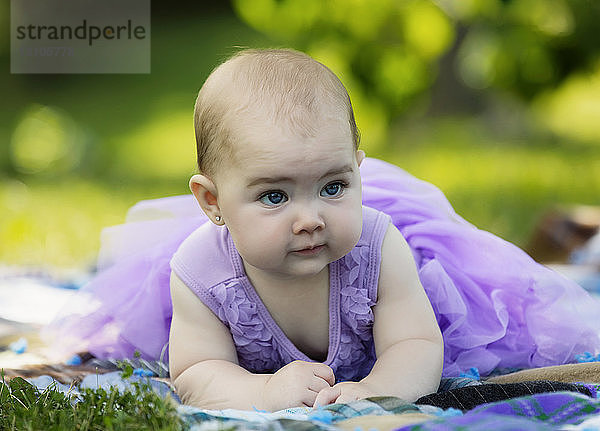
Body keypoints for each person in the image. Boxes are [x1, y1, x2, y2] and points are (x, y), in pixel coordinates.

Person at [44, 48, 600, 411]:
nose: (309, 217)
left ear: (358, 170)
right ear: (212, 201)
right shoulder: (200, 271)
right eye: (274, 196)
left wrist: (374, 392)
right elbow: (196, 373)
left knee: (481, 333)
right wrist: (263, 390)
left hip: (396, 341)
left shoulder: (378, 247)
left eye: (333, 187)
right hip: (253, 353)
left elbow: (416, 343)